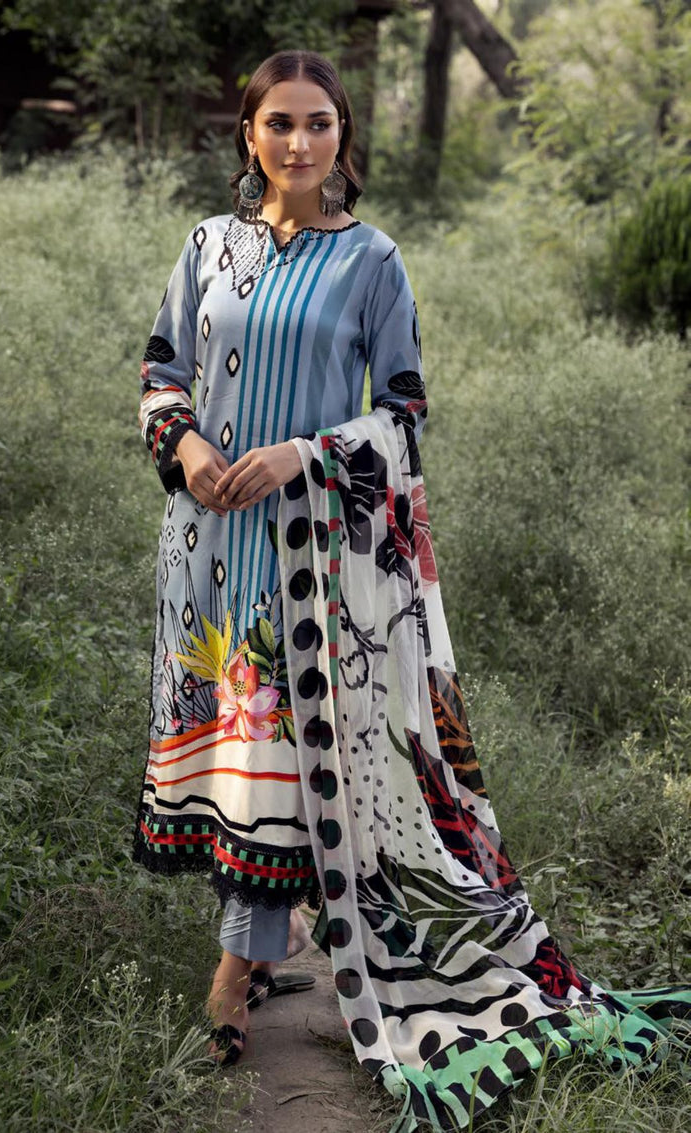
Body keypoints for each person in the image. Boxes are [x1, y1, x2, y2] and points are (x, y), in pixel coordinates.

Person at [133, 50, 689, 1132]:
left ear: (345, 135)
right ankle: (270, 940)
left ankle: (238, 968)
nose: (298, 143)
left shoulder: (372, 261)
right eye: (279, 123)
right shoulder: (206, 246)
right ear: (249, 134)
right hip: (205, 545)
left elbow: (403, 412)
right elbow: (160, 369)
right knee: (236, 759)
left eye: (319, 123)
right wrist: (186, 444)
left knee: (287, 752)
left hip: (310, 559)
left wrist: (303, 454)